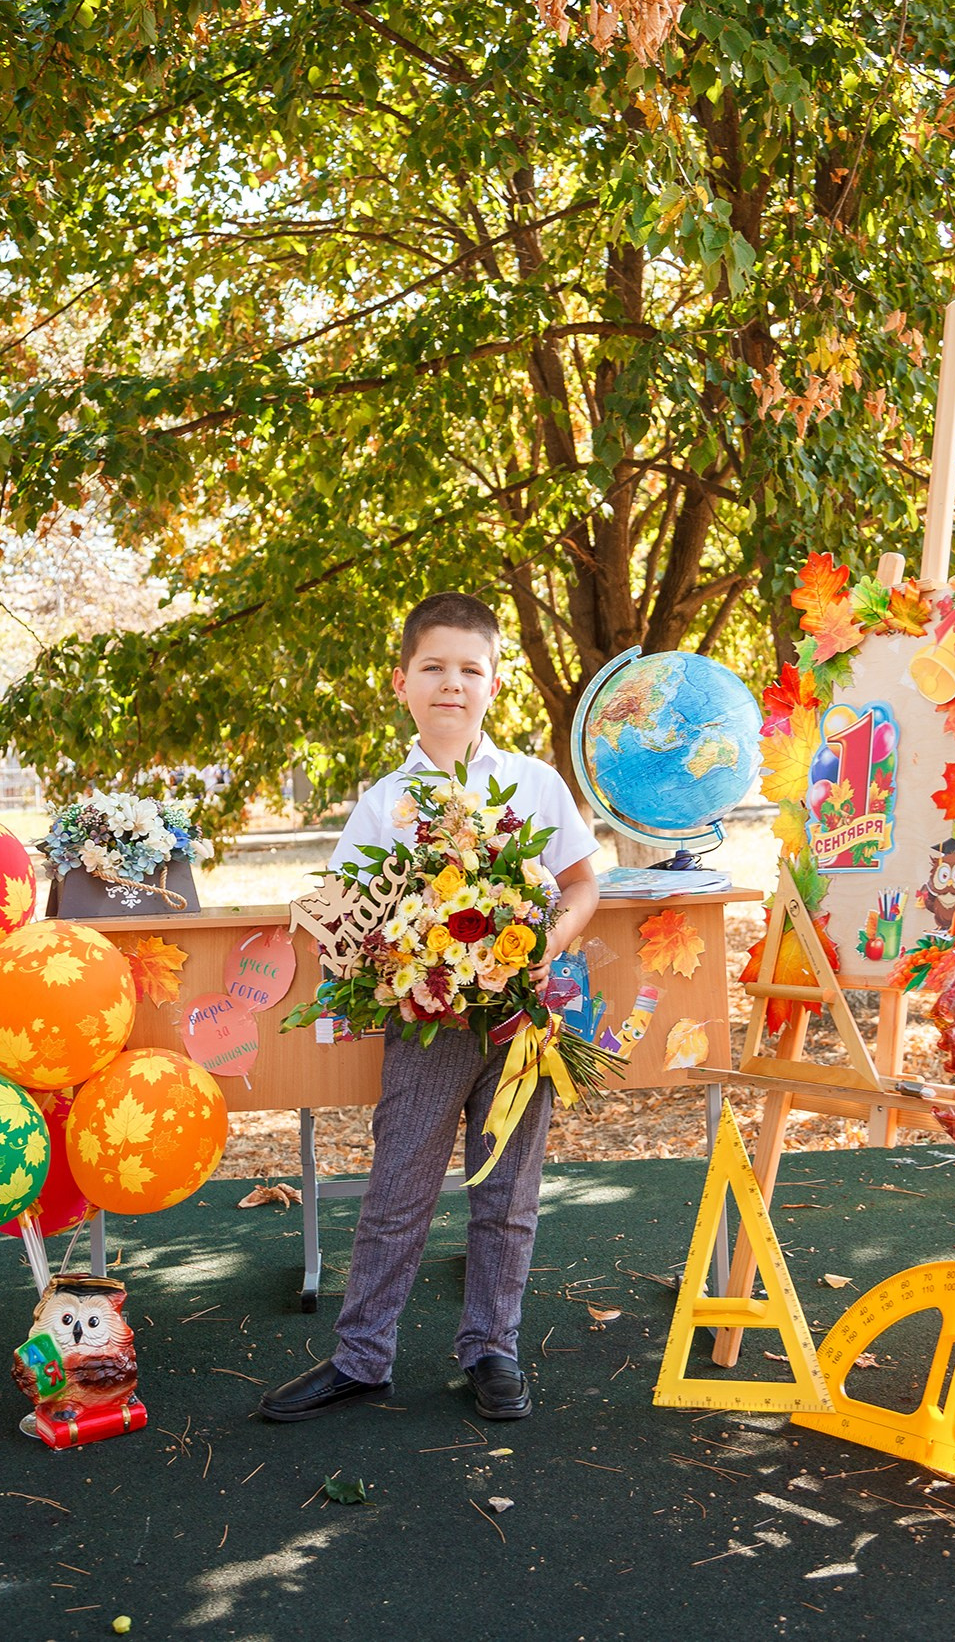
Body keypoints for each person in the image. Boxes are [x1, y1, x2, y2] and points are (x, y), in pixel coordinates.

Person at [260, 592, 600, 1424]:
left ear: (494, 684)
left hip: (519, 1023)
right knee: (397, 1190)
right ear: (401, 682)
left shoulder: (534, 783)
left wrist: (543, 942)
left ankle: (491, 1348)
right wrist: (395, 955)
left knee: (508, 1194)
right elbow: (350, 914)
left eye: (469, 669)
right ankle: (361, 1356)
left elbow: (582, 883)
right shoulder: (383, 801)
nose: (452, 683)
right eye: (434, 667)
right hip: (427, 1026)